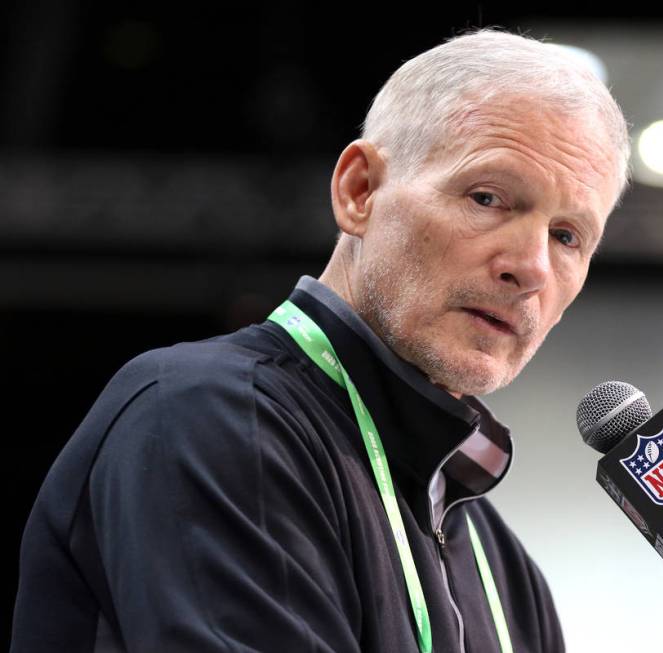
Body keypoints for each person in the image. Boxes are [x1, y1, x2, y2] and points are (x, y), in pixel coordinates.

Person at [12, 28, 630, 652]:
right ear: (359, 191)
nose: (531, 267)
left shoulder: (505, 569)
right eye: (488, 197)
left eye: (568, 236)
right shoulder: (214, 417)